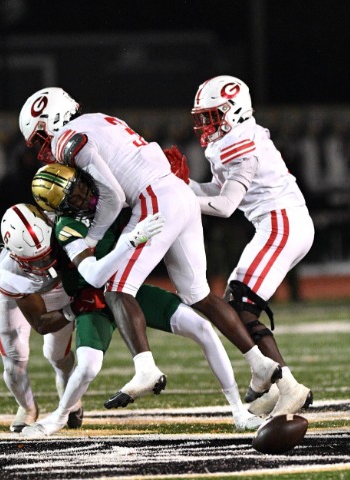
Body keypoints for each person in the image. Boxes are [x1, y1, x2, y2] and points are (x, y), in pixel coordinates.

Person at [18, 88, 282, 411]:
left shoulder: (66, 139)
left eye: (41, 136)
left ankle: (145, 369)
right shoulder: (99, 119)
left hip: (155, 199)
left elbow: (114, 196)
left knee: (116, 288)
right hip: (178, 194)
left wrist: (91, 238)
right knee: (199, 294)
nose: (44, 146)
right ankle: (259, 363)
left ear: (51, 121)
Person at [20, 164, 263, 437]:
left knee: (202, 327)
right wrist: (129, 241)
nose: (83, 196)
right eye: (73, 197)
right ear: (61, 208)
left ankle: (239, 412)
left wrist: (169, 180)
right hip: (93, 300)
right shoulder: (68, 226)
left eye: (80, 186)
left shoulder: (106, 194)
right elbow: (95, 276)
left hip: (126, 290)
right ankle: (59, 416)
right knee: (88, 366)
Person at [181, 75, 314, 417]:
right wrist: (181, 184)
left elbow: (225, 206)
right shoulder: (231, 140)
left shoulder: (240, 142)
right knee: (235, 303)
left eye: (212, 116)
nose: (206, 124)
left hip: (281, 222)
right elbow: (217, 190)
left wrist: (177, 198)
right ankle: (275, 383)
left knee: (240, 306)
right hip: (278, 222)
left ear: (234, 111)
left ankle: (284, 384)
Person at [0, 202, 163, 432]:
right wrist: (75, 308)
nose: (46, 264)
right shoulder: (9, 273)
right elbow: (41, 323)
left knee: (57, 355)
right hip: (22, 294)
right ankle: (27, 408)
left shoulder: (63, 225)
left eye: (47, 254)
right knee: (14, 363)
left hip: (59, 286)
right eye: (37, 261)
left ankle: (67, 389)